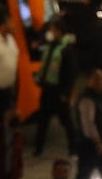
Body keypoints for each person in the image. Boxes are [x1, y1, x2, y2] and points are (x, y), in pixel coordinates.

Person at [34, 17, 79, 158]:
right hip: (48, 89)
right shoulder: (51, 46)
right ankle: (38, 149)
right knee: (43, 121)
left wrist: (66, 92)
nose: (50, 32)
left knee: (67, 122)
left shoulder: (66, 49)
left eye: (52, 29)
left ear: (59, 31)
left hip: (59, 91)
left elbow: (71, 73)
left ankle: (73, 149)